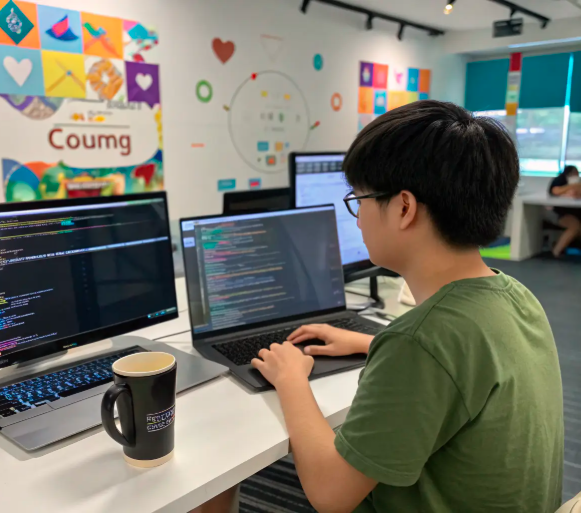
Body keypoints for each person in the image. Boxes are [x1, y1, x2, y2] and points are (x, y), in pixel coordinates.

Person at [249, 101, 564, 513]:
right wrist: (370, 342)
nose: (357, 219)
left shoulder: (421, 343)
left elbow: (330, 494)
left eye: (359, 200)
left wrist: (291, 378)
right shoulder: (517, 297)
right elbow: (469, 358)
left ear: (404, 208)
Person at [548, 165, 581, 257]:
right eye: (574, 173)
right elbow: (555, 191)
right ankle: (556, 251)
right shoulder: (559, 181)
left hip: (575, 212)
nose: (576, 175)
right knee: (575, 226)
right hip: (559, 213)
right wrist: (573, 185)